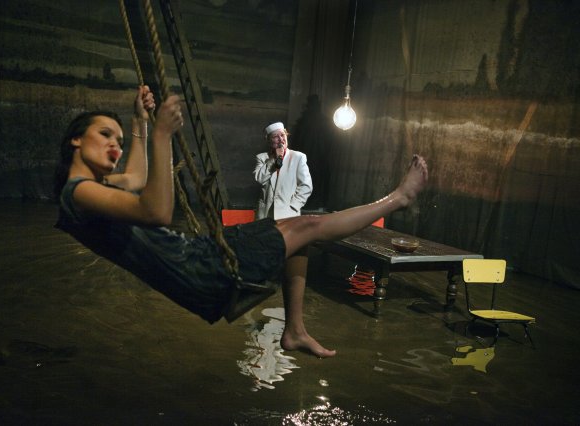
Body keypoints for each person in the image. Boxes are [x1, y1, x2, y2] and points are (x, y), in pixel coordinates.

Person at [54, 86, 429, 358]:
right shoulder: (78, 193)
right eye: (105, 135)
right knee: (309, 227)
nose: (115, 146)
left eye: (117, 139)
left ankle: (295, 331)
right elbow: (156, 212)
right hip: (199, 271)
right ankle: (398, 198)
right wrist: (164, 135)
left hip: (199, 254)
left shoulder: (92, 190)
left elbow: (135, 178)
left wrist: (140, 122)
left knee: (299, 232)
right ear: (75, 140)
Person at [253, 122, 313, 334]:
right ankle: (262, 285)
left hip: (288, 215)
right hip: (265, 216)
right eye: (275, 137)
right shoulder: (263, 158)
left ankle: (284, 289)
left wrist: (293, 205)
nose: (280, 140)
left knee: (286, 252)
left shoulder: (298, 158)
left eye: (283, 136)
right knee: (263, 249)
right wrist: (274, 161)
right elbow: (259, 179)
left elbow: (306, 186)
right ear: (269, 141)